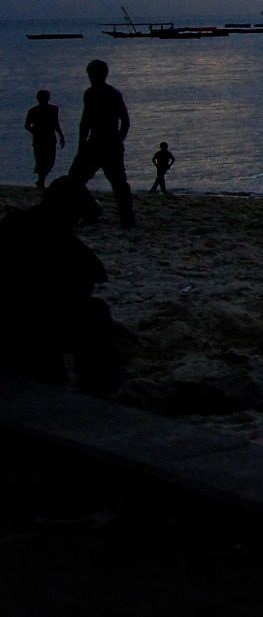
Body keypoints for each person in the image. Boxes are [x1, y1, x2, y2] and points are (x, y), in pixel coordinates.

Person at [0, 184, 122, 394]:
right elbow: (93, 276)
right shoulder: (58, 238)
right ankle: (100, 389)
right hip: (24, 332)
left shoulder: (14, 225)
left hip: (16, 327)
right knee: (94, 312)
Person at [56, 60, 134, 229]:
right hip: (113, 143)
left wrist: (81, 144)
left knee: (74, 181)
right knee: (119, 183)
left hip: (97, 143)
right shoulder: (115, 93)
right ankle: (127, 220)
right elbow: (126, 122)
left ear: (91, 74)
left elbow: (86, 121)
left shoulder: (92, 93)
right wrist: (119, 140)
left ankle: (90, 211)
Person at [24, 90, 63, 190]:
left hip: (49, 138)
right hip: (40, 139)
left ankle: (41, 180)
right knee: (42, 160)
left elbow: (55, 123)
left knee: (50, 160)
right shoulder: (33, 111)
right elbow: (27, 126)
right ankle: (41, 181)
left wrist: (61, 135)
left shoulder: (53, 109)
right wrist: (35, 132)